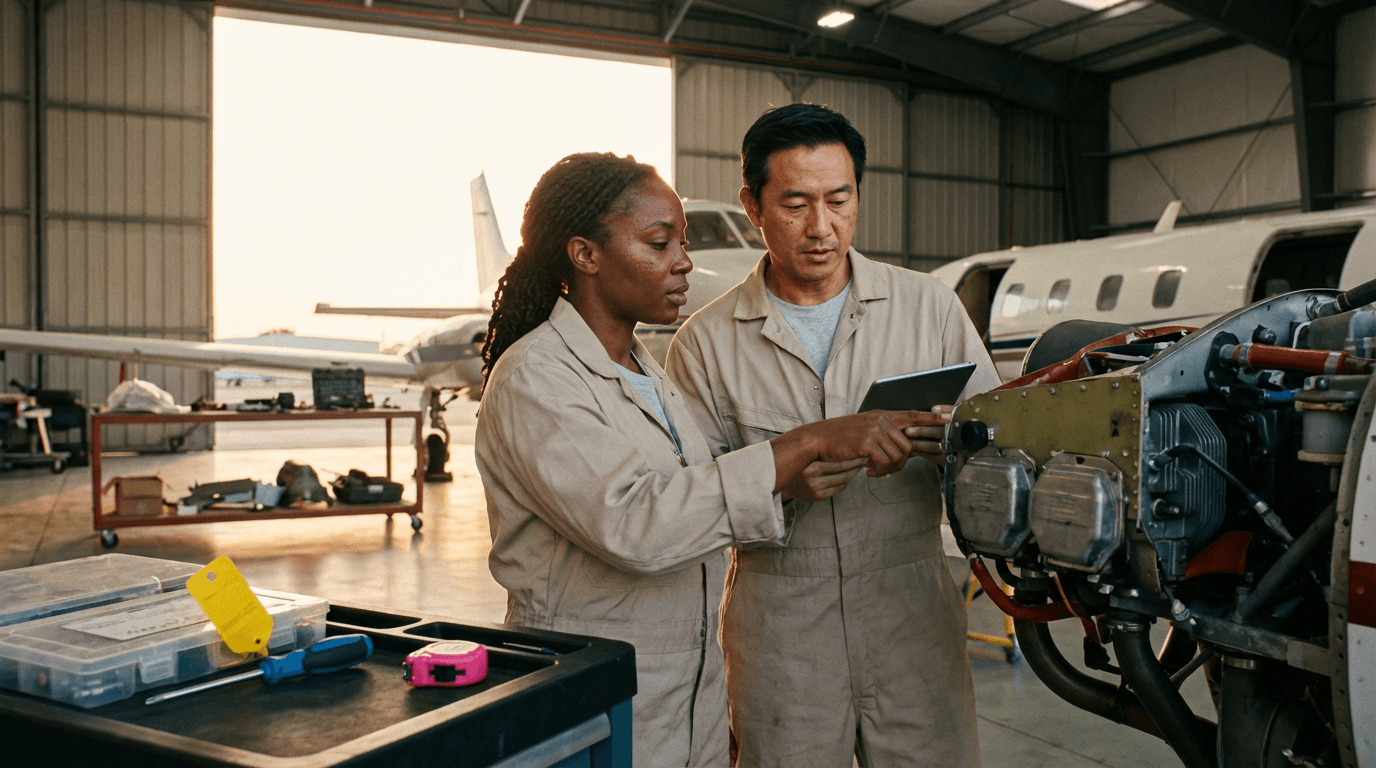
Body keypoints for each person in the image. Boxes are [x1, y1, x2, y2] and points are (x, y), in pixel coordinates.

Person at [474, 152, 934, 767]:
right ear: (584, 254)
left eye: (681, 243)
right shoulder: (536, 377)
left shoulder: (645, 373)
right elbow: (635, 525)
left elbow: (690, 494)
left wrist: (787, 486)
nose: (683, 262)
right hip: (592, 693)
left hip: (686, 698)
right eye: (659, 244)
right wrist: (804, 443)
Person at [665, 104, 1000, 767]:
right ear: (753, 205)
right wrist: (781, 481)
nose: (821, 227)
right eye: (795, 204)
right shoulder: (704, 344)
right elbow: (686, 504)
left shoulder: (927, 307)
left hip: (912, 607)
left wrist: (952, 446)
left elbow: (995, 439)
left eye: (838, 200)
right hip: (781, 616)